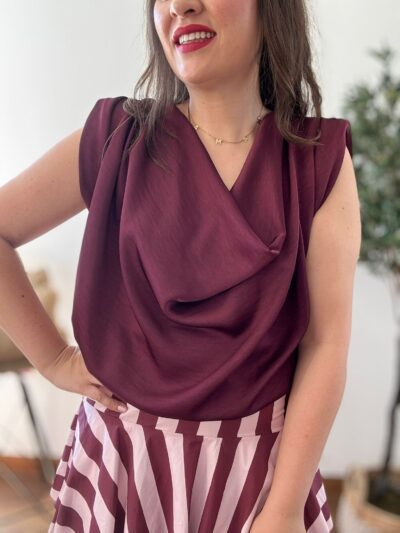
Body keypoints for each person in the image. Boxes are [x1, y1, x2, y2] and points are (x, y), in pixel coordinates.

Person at [0, 0, 361, 532]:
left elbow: (325, 345)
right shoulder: (116, 138)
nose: (179, 6)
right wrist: (53, 359)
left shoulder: (317, 159)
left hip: (258, 478)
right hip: (123, 464)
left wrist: (284, 509)